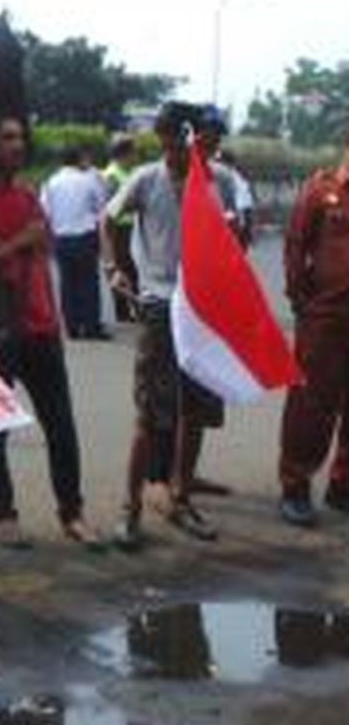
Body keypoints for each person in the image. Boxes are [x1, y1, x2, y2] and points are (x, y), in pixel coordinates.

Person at [0, 114, 102, 550]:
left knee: (61, 426)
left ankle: (72, 513)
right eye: (7, 137)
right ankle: (3, 515)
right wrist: (19, 241)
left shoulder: (27, 194)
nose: (18, 145)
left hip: (41, 326)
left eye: (20, 137)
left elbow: (44, 249)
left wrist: (54, 317)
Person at [101, 102, 240, 549]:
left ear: (196, 140)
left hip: (203, 308)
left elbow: (233, 234)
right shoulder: (145, 179)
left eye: (183, 144)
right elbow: (106, 219)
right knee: (150, 413)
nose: (175, 154)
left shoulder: (219, 181)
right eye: (167, 145)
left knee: (195, 410)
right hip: (160, 305)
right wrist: (114, 269)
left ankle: (180, 497)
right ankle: (130, 509)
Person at [277, 125, 349, 527]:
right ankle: (295, 487)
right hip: (325, 319)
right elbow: (295, 245)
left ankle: (342, 489)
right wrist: (301, 301)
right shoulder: (321, 191)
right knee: (311, 406)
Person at [40, 146, 109, 339]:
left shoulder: (51, 182)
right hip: (85, 236)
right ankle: (91, 326)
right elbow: (101, 205)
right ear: (79, 159)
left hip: (61, 238)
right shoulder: (88, 180)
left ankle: (71, 327)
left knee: (67, 283)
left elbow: (44, 211)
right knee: (89, 283)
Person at [101, 134, 139, 322]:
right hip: (118, 230)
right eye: (133, 153)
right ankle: (122, 312)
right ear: (123, 154)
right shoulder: (111, 175)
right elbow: (108, 208)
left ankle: (133, 308)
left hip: (131, 227)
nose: (135, 156)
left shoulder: (129, 172)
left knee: (133, 268)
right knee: (121, 267)